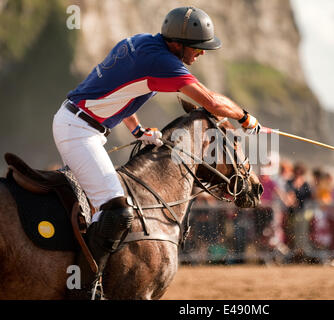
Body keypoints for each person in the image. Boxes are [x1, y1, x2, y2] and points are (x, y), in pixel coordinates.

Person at [53, 6, 262, 295]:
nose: (201, 54)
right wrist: (245, 118)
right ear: (177, 43)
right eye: (197, 48)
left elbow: (115, 90)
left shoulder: (140, 42)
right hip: (79, 132)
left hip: (79, 125)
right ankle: (88, 288)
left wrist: (137, 130)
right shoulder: (163, 61)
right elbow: (212, 103)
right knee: (118, 211)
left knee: (93, 210)